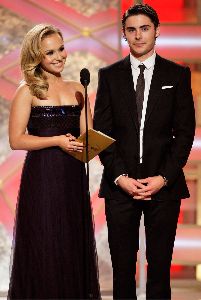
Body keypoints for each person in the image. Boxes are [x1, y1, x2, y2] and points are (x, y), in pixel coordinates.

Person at [94, 4, 195, 300]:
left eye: (145, 28)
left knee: (160, 270)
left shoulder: (177, 74)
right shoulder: (109, 76)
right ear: (125, 34)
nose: (138, 35)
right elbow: (102, 134)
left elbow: (185, 133)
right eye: (132, 29)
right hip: (119, 187)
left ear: (157, 30)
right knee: (122, 272)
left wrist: (163, 177)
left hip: (164, 186)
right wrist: (120, 177)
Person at [8, 24, 100, 299]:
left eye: (61, 48)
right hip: (43, 177)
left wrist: (91, 137)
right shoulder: (27, 90)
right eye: (50, 52)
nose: (60, 56)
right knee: (45, 242)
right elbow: (16, 140)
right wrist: (57, 140)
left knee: (71, 243)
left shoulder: (77, 89)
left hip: (72, 176)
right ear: (37, 57)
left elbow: (88, 141)